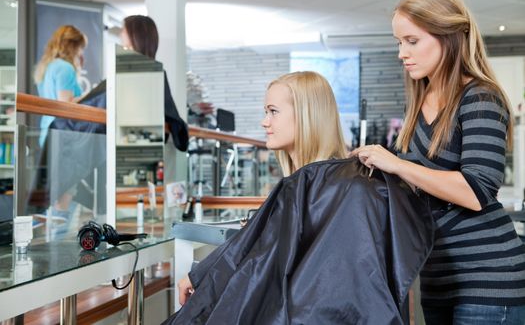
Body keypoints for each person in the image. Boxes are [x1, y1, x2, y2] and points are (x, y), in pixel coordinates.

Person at [167, 71, 433, 324]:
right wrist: (202, 275)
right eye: (265, 112)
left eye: (273, 112)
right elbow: (259, 252)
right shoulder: (308, 184)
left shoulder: (343, 188)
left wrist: (206, 278)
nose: (264, 122)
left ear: (306, 116)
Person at [351, 0, 525, 324]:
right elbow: (414, 190)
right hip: (439, 280)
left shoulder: (480, 98)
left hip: (487, 282)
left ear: (450, 36)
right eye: (399, 42)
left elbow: (476, 192)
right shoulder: (418, 105)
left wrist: (397, 164)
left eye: (412, 41)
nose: (402, 53)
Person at [120, 15, 188, 151]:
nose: (120, 33)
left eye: (123, 30)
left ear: (134, 36)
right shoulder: (127, 70)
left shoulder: (153, 74)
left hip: (134, 145)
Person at [34, 25, 87, 146]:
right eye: (80, 48)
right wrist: (91, 96)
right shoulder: (65, 67)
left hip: (47, 132)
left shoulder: (47, 67)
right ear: (72, 46)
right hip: (62, 135)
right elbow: (66, 104)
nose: (81, 52)